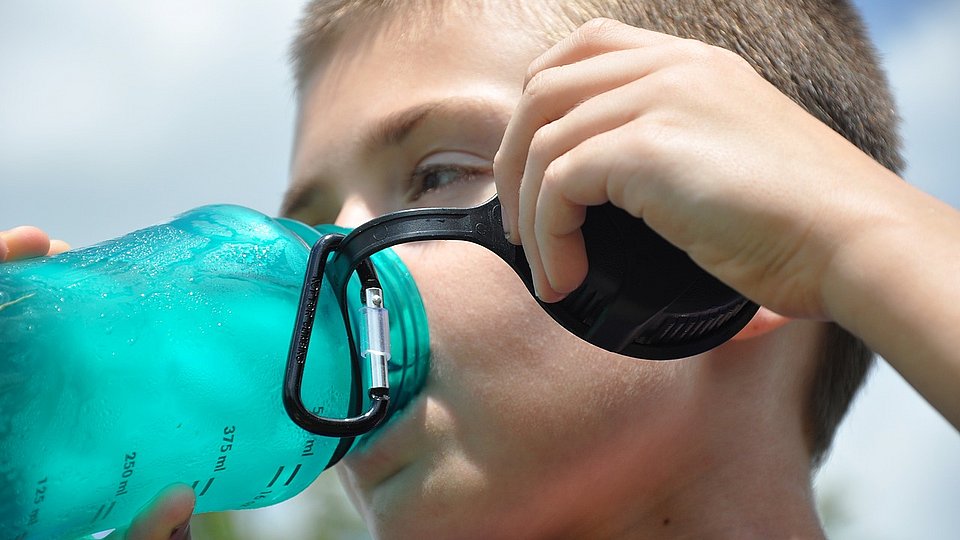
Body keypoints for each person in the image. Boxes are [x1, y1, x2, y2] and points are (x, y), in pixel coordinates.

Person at [4, 0, 958, 538]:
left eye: (439, 173)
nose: (323, 265)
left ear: (722, 247)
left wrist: (858, 235)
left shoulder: (829, 236)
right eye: (301, 224)